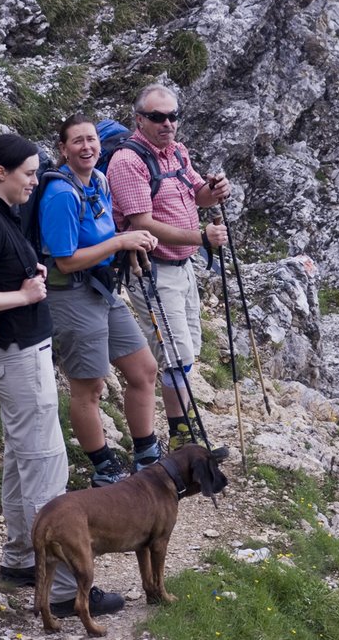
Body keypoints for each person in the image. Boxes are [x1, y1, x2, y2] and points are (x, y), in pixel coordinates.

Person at [0, 133, 123, 618]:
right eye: (29, 173)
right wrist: (25, 297)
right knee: (46, 467)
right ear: (1, 172)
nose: (36, 181)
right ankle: (67, 591)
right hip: (19, 356)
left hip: (20, 354)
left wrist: (29, 283)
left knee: (19, 461)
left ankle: (19, 560)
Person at [38, 114, 161, 486]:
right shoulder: (60, 194)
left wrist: (133, 242)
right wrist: (121, 242)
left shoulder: (100, 181)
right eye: (77, 141)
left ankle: (147, 454)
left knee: (144, 369)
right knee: (89, 386)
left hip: (100, 289)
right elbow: (64, 258)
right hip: (69, 293)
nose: (87, 147)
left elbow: (105, 233)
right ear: (63, 149)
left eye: (91, 139)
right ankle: (105, 468)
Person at [106, 84, 231, 452]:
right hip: (152, 270)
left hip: (182, 265)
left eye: (173, 116)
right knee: (176, 356)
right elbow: (141, 221)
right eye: (158, 117)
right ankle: (180, 436)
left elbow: (198, 194)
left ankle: (183, 431)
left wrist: (214, 189)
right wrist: (200, 237)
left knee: (187, 348)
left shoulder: (176, 152)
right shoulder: (128, 161)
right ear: (139, 119)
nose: (168, 123)